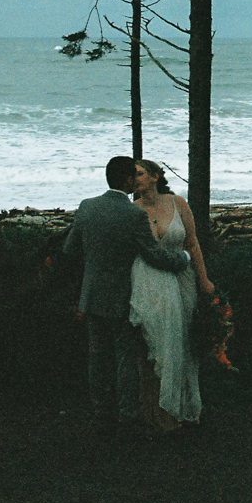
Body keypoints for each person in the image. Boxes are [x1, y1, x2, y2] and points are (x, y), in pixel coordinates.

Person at [63, 156, 190, 437]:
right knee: (124, 359)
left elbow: (70, 249)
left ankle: (100, 413)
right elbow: (152, 255)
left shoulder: (87, 206)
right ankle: (127, 415)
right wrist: (183, 259)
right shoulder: (133, 215)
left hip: (93, 294)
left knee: (97, 357)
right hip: (124, 295)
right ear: (128, 181)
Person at [130, 159, 214, 434]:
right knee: (157, 345)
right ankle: (159, 414)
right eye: (133, 175)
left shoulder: (178, 203)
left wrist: (203, 280)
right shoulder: (133, 211)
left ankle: (187, 409)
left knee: (183, 345)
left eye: (140, 174)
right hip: (149, 284)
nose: (135, 179)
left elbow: (192, 243)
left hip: (182, 282)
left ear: (155, 176)